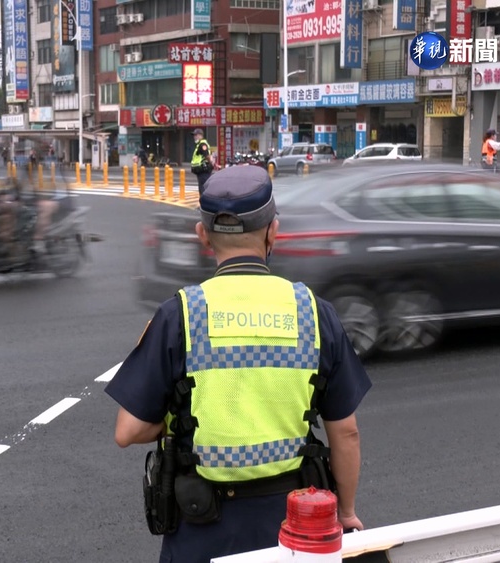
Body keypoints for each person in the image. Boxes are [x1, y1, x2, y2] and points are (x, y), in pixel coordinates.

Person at [106, 166, 371, 563]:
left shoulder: (180, 314)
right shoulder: (314, 313)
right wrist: (345, 512)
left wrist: (188, 414)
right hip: (293, 529)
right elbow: (345, 433)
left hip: (201, 530)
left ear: (202, 236)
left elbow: (128, 431)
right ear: (273, 231)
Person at [190, 128, 214, 194]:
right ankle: (204, 202)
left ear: (200, 135)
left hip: (203, 170)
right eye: (194, 135)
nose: (194, 137)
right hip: (201, 171)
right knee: (202, 188)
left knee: (203, 189)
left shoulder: (202, 144)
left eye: (195, 135)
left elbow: (207, 156)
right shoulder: (199, 144)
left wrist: (211, 163)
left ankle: (205, 203)